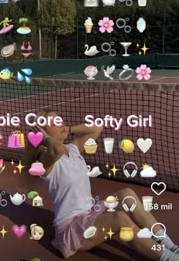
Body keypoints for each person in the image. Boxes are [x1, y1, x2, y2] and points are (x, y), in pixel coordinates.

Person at [23, 109, 179, 260]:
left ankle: (171, 246)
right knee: (120, 218)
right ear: (43, 132)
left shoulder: (73, 148)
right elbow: (55, 149)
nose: (60, 122)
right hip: (71, 229)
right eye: (54, 122)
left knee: (127, 194)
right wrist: (43, 137)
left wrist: (68, 128)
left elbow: (96, 128)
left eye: (60, 119)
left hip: (90, 212)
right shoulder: (44, 160)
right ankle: (170, 258)